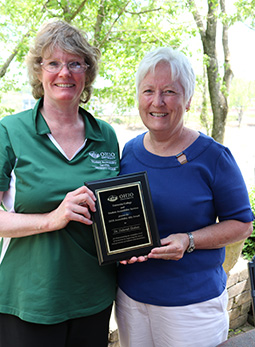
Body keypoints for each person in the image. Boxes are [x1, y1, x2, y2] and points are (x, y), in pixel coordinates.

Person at [115, 47, 254, 347]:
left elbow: (243, 225)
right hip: (130, 299)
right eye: (148, 90)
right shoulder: (129, 151)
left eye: (170, 91)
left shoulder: (214, 157)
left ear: (188, 99)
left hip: (192, 307)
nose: (158, 101)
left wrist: (189, 240)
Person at [0, 21, 119, 347]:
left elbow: (115, 209)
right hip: (29, 299)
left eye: (74, 63)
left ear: (87, 73)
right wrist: (52, 218)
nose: (63, 73)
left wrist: (131, 239)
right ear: (39, 71)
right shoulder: (10, 131)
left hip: (92, 296)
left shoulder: (105, 134)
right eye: (53, 63)